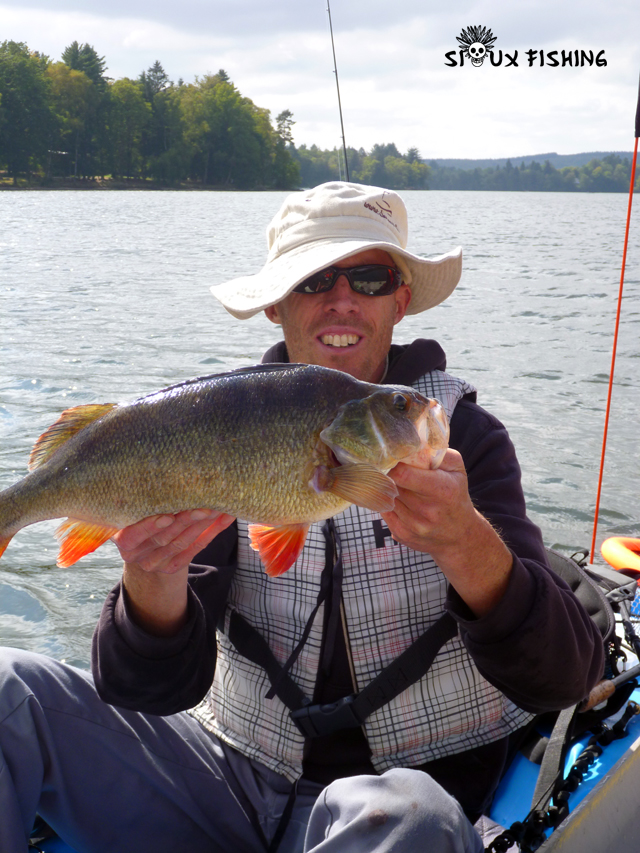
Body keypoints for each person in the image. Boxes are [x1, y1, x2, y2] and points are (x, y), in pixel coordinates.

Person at [0, 182, 603, 853]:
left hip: (399, 804)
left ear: (400, 301)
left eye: (369, 278)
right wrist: (152, 578)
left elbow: (564, 678)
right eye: (314, 279)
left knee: (410, 814)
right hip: (228, 776)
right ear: (275, 304)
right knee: (6, 690)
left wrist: (466, 542)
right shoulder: (217, 424)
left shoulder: (467, 439)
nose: (342, 298)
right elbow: (142, 688)